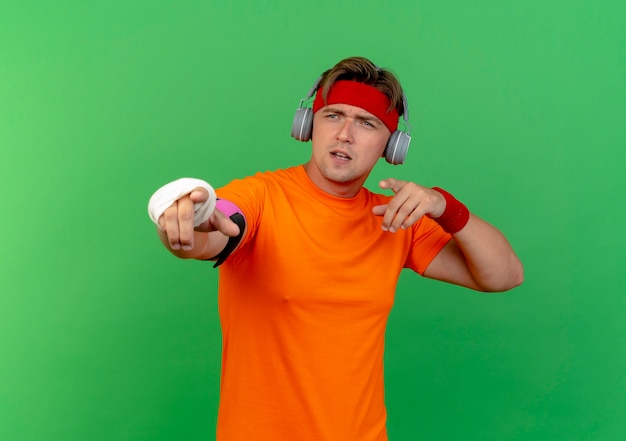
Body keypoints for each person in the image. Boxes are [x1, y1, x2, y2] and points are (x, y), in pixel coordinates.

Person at [147, 56, 523, 441]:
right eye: (333, 116)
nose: (345, 134)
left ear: (391, 147)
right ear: (309, 125)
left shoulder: (394, 219)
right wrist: (188, 219)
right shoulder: (260, 197)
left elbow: (505, 274)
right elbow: (215, 229)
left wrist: (446, 207)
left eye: (366, 123)